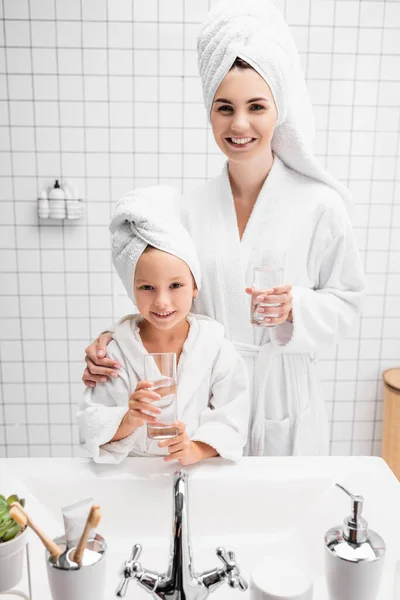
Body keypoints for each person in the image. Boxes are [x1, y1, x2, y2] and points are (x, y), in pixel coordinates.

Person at [82, 0, 365, 457]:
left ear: (280, 108)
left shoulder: (320, 205)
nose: (239, 124)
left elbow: (348, 303)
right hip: (205, 401)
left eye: (256, 106)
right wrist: (113, 348)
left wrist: (297, 307)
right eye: (224, 107)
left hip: (284, 395)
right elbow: (166, 299)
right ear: (209, 111)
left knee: (282, 518)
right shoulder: (185, 209)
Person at [77, 185, 249, 464]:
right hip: (131, 476)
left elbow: (233, 418)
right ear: (131, 289)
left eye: (176, 285)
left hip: (196, 473)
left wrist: (197, 448)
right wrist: (129, 418)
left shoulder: (216, 349)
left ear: (195, 287)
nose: (162, 302)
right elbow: (90, 424)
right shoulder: (114, 354)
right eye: (146, 287)